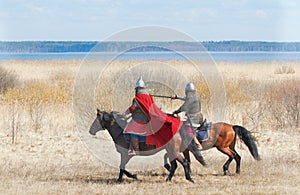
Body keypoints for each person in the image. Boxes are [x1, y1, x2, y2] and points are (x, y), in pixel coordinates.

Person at [123, 76, 182, 156]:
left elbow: (133, 108)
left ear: (137, 89)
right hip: (147, 118)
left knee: (131, 129)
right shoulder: (148, 97)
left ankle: (134, 149)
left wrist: (124, 113)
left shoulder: (137, 98)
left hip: (140, 120)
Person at [172, 82, 203, 150]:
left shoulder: (191, 97)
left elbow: (184, 107)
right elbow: (185, 98)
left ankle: (197, 143)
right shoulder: (194, 95)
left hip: (194, 118)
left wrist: (177, 111)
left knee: (187, 130)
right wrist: (176, 97)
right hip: (195, 117)